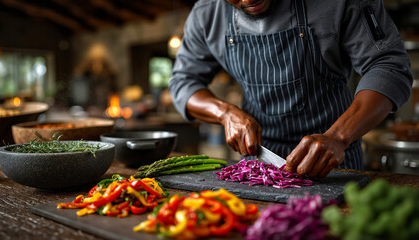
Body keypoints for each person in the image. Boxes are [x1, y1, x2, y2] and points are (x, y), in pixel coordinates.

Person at [169, 0, 413, 177]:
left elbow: (388, 66)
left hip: (336, 165)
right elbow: (183, 82)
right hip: (258, 169)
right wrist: (224, 113)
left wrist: (338, 137)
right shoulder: (206, 14)